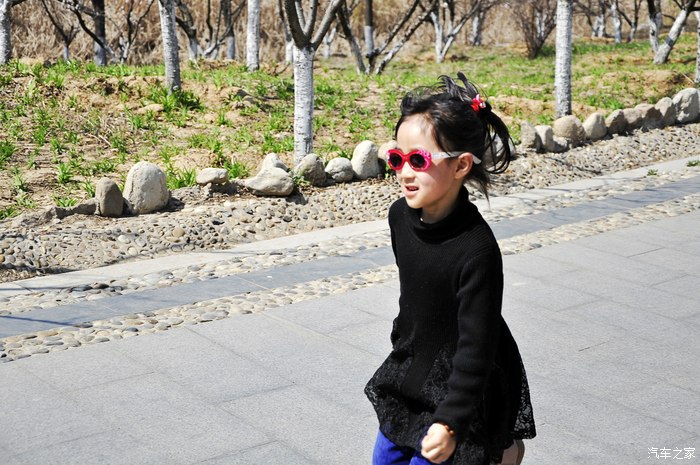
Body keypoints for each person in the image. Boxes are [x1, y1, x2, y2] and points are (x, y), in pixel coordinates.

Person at [365, 73, 536, 465]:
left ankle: (503, 451)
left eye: (418, 160)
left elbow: (477, 347)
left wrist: (450, 423)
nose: (405, 172)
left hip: (462, 381)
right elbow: (415, 295)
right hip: (410, 370)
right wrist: (402, 337)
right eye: (397, 158)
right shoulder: (399, 217)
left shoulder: (477, 250)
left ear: (460, 166)